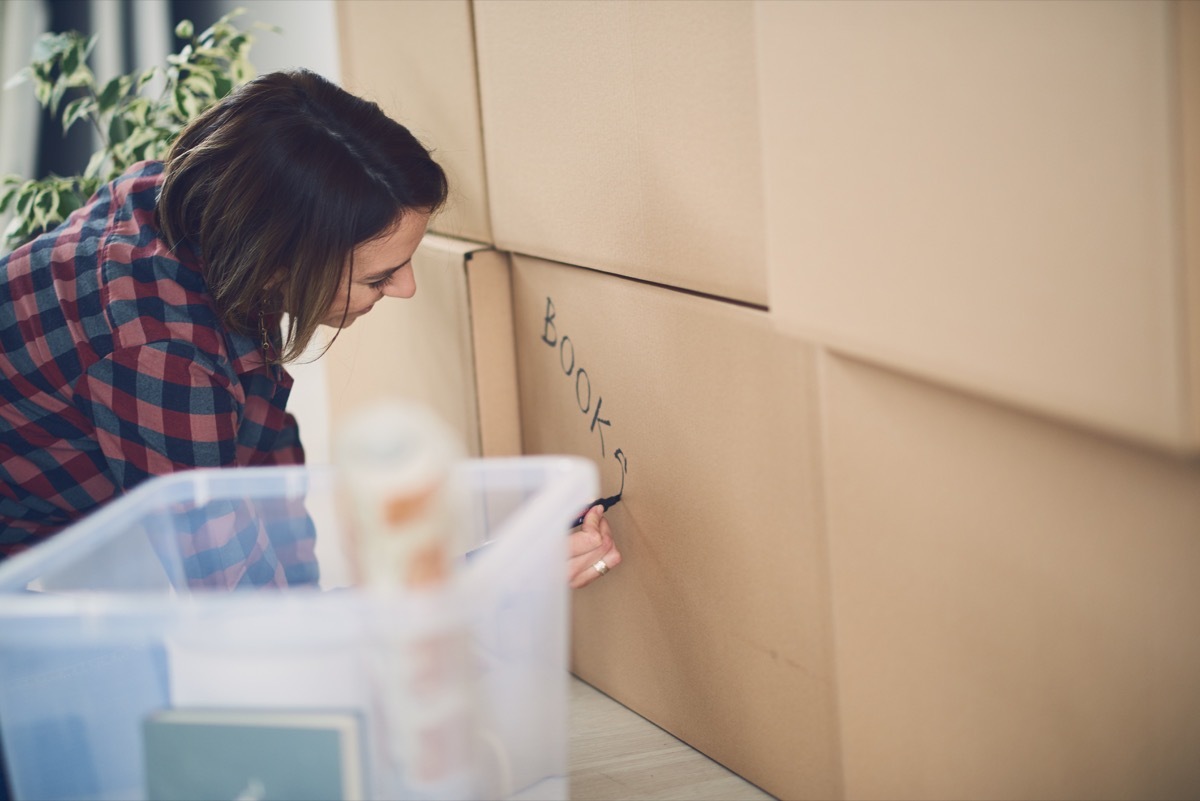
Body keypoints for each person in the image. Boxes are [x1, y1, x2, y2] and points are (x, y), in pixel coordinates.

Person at [0, 68, 620, 589]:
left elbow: (264, 465)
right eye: (380, 277)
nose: (405, 289)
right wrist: (498, 574)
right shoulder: (161, 352)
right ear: (279, 264)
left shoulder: (200, 213)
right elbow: (253, 615)